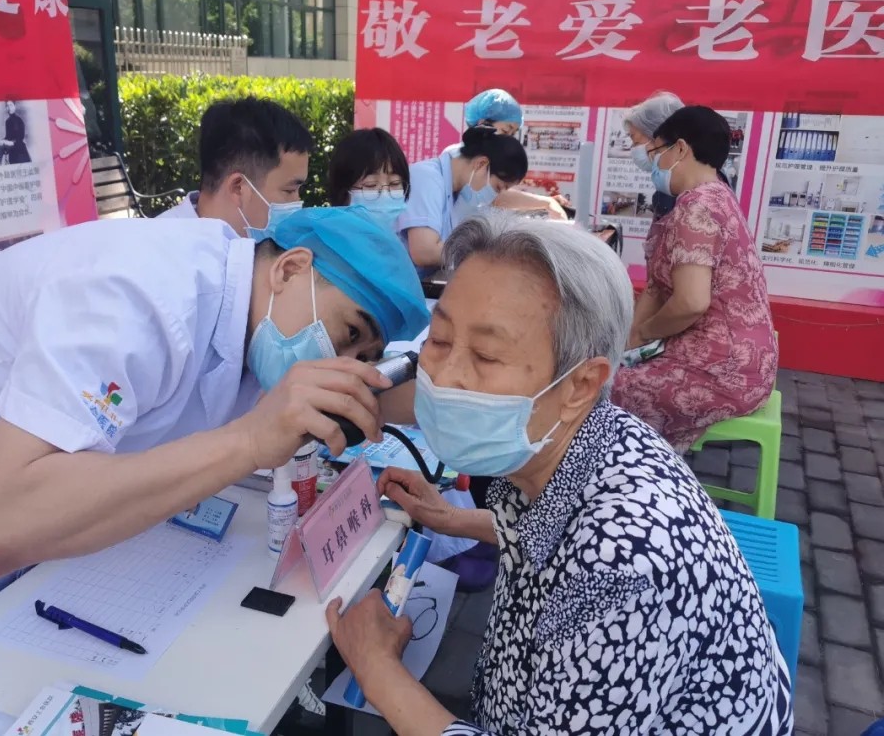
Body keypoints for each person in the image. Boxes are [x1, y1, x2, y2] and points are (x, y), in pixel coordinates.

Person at [0, 206, 429, 689]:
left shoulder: (256, 314)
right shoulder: (136, 295)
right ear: (290, 268)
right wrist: (246, 441)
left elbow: (378, 392)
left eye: (365, 355)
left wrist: (462, 392)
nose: (344, 363)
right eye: (348, 333)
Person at [326, 212, 792, 735]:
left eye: (486, 355)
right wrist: (455, 519)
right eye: (438, 339)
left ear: (580, 384)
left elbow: (590, 555)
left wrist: (376, 668)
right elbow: (558, 530)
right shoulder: (576, 437)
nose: (444, 374)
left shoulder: (622, 565)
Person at [612, 105, 778, 452]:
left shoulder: (697, 207)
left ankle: (630, 474)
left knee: (596, 392)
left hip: (722, 372)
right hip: (742, 363)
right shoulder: (717, 195)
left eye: (655, 151)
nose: (653, 163)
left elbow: (691, 302)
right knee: (609, 372)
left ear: (680, 149)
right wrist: (627, 342)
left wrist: (641, 334)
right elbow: (659, 288)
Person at [160, 97, 311, 239]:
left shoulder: (271, 247)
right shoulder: (159, 249)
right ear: (238, 188)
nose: (297, 203)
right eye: (290, 190)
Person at [399, 126, 528, 275]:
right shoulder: (428, 178)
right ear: (481, 164)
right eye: (498, 188)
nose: (494, 195)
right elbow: (425, 252)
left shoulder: (458, 194)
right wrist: (483, 255)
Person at [326, 128, 410, 232]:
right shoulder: (326, 239)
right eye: (371, 185)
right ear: (343, 193)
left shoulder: (410, 239)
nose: (385, 195)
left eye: (394, 183)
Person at [623, 91, 685, 219]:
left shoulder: (696, 198)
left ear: (657, 137)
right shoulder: (669, 188)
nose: (633, 148)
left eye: (636, 141)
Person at [0, 100, 31, 165]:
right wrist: (3, 141)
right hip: (12, 152)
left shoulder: (18, 120)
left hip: (20, 152)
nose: (9, 107)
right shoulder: (7, 121)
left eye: (11, 105)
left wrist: (10, 142)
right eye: (7, 106)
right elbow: (8, 136)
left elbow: (20, 138)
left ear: (14, 106)